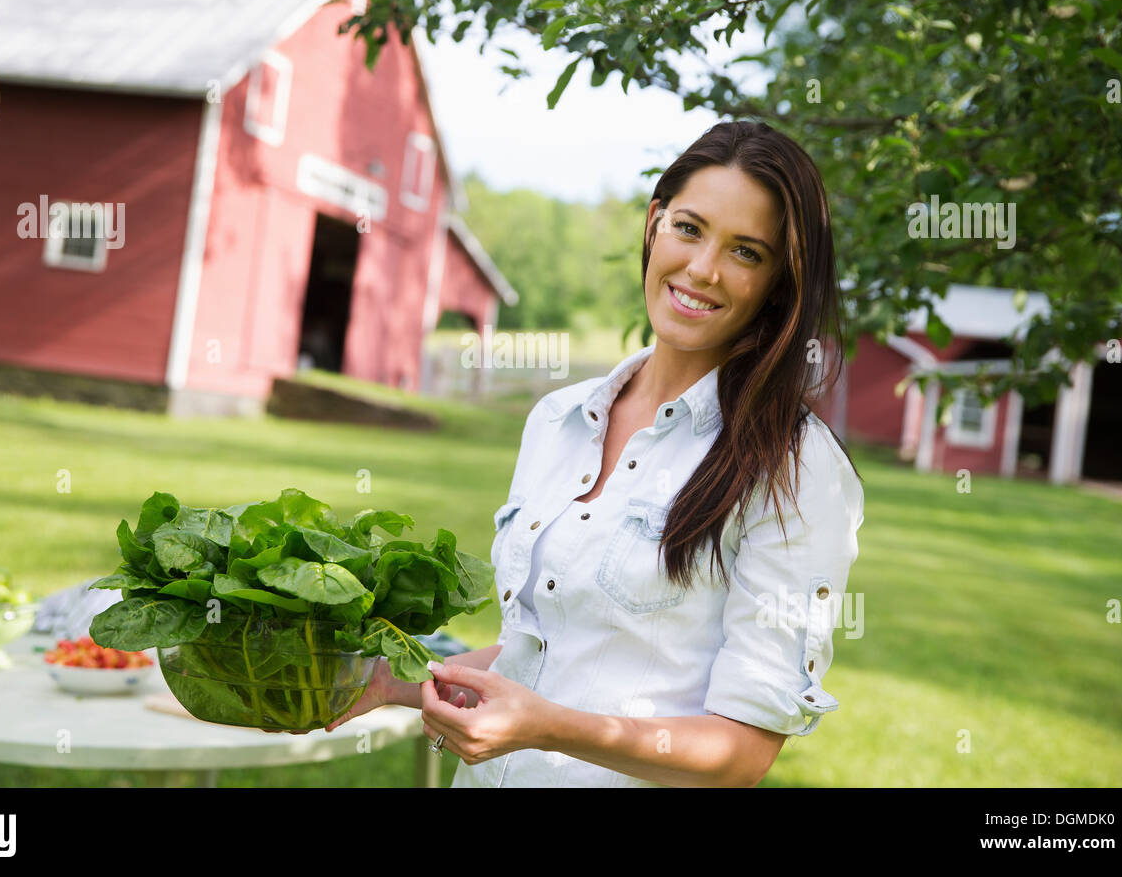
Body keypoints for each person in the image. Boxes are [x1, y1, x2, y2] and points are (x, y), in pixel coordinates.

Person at [303, 120, 865, 787]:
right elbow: (545, 653)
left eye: (746, 252)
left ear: (779, 281)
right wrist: (384, 685)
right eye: (689, 228)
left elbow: (741, 753)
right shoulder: (558, 421)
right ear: (654, 224)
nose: (703, 269)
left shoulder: (794, 472)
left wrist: (547, 727)